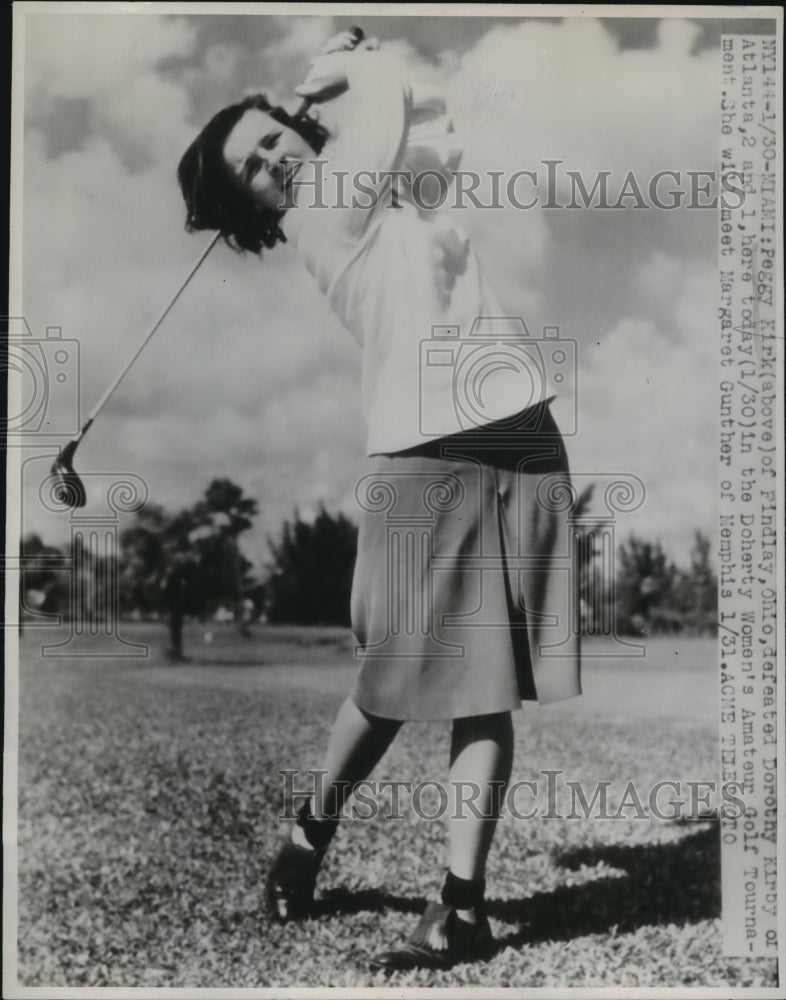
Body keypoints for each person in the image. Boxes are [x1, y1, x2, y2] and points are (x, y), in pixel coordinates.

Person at [178, 28, 581, 972]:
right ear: (250, 203)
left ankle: (462, 909)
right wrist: (341, 64)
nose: (274, 157)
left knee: (487, 690)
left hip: (516, 427)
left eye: (272, 136)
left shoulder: (391, 191)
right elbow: (390, 95)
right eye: (252, 164)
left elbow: (425, 122)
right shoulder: (325, 215)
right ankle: (309, 837)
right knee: (391, 685)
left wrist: (353, 83)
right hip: (422, 443)